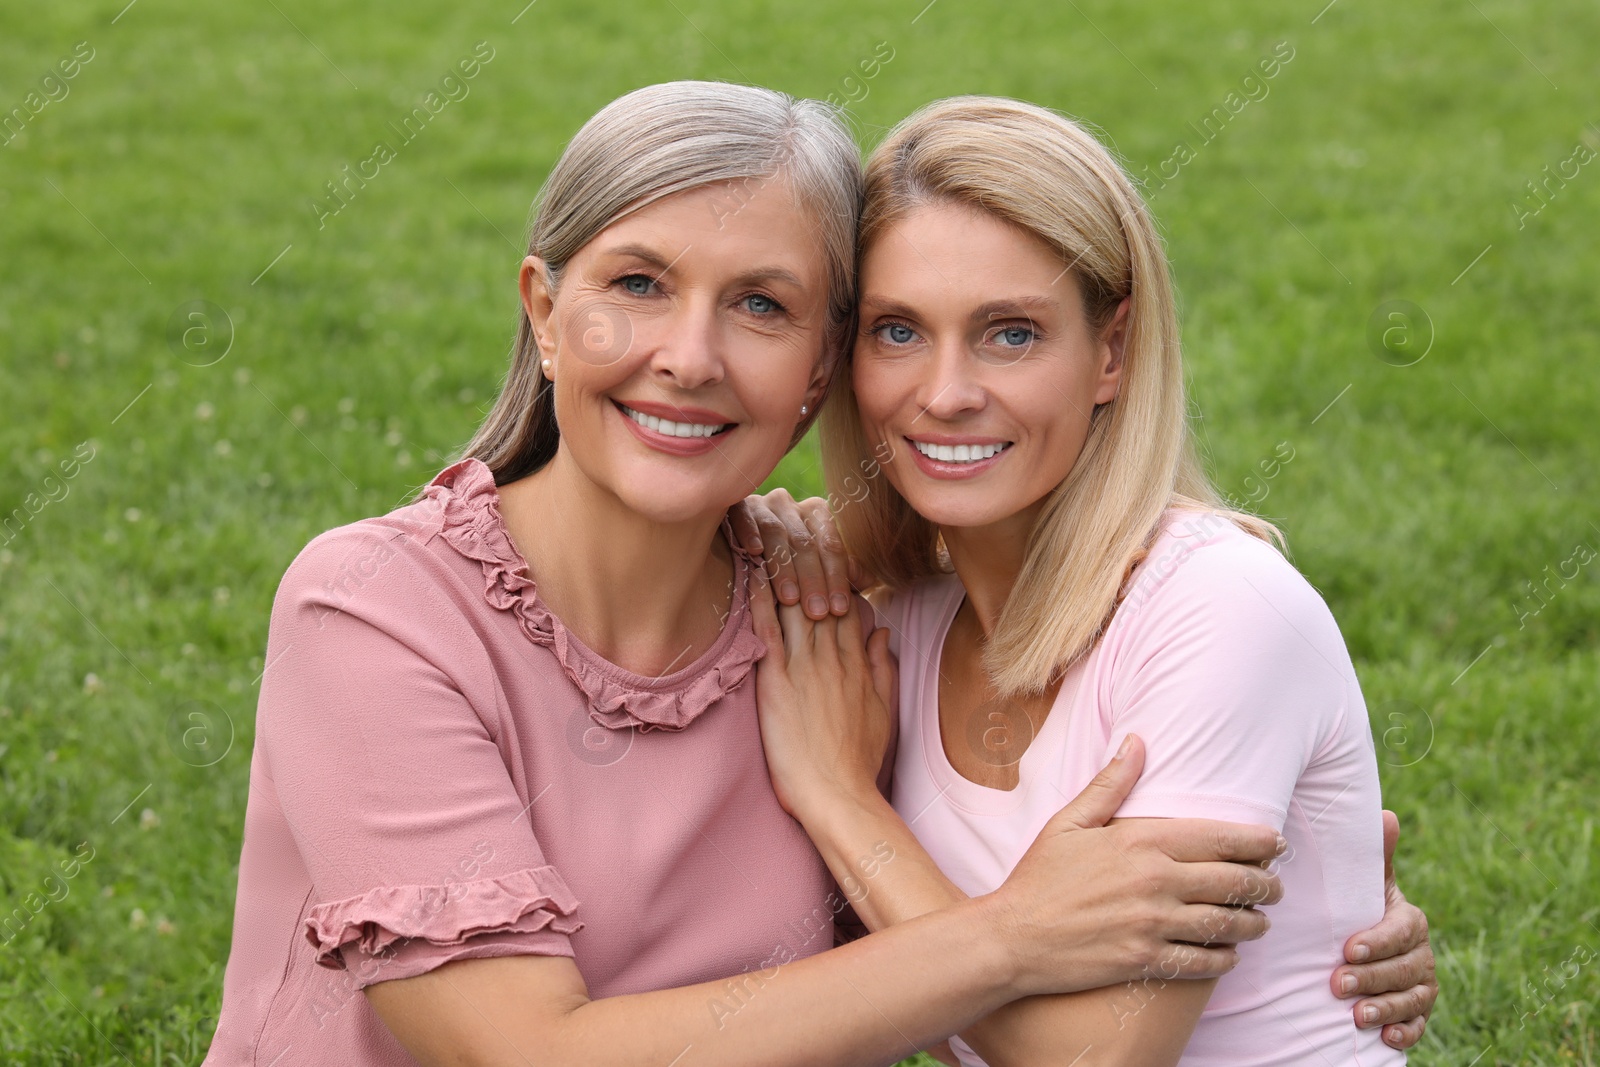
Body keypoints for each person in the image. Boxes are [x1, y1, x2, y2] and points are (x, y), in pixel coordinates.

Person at [202, 83, 1431, 1067]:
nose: (688, 357)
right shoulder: (373, 610)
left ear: (816, 367)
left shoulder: (822, 615)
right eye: (637, 284)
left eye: (761, 305)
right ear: (543, 305)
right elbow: (523, 1049)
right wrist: (1012, 934)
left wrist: (1319, 921)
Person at [739, 96, 1435, 1065]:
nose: (944, 393)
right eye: (898, 331)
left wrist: (841, 800)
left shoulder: (1218, 608)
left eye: (1010, 333)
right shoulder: (892, 626)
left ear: (1110, 351)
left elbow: (1092, 1056)